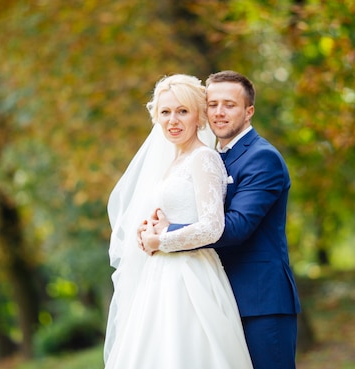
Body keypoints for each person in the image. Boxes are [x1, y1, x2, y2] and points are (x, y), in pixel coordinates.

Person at [144, 70, 302, 369]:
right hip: (216, 291)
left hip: (260, 300)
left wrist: (166, 234)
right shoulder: (210, 155)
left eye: (229, 104)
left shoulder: (262, 157)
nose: (219, 112)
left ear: (248, 111)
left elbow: (238, 226)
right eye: (212, 104)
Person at [104, 74, 253, 369]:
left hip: (191, 275)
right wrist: (149, 228)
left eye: (182, 111)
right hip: (159, 274)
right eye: (166, 112)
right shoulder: (173, 161)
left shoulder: (203, 159)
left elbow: (213, 226)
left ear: (198, 116)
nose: (173, 120)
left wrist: (160, 240)